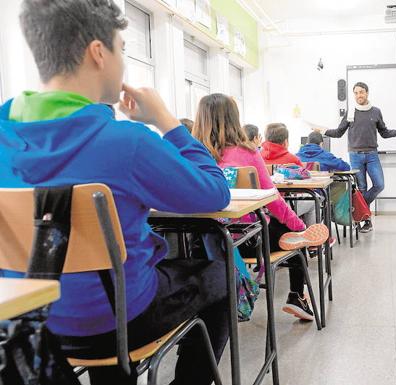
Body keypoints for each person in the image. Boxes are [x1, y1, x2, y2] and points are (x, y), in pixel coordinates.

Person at [0, 1, 232, 384]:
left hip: (31, 321)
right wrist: (166, 120)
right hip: (116, 319)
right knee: (221, 269)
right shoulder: (127, 142)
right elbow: (215, 193)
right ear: (98, 53)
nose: (123, 62)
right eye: (122, 49)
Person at [191, 93, 329, 321]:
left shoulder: (190, 155)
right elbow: (273, 200)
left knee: (287, 234)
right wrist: (299, 224)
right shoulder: (246, 152)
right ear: (234, 119)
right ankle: (296, 296)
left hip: (205, 245)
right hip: (250, 239)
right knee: (294, 235)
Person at [313, 82, 396, 232]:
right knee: (361, 188)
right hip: (355, 155)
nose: (358, 96)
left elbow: (385, 133)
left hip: (372, 154)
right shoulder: (350, 112)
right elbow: (338, 132)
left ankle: (356, 210)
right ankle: (366, 221)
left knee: (379, 185)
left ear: (367, 93)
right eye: (355, 93)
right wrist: (322, 130)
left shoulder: (376, 112)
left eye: (361, 92)